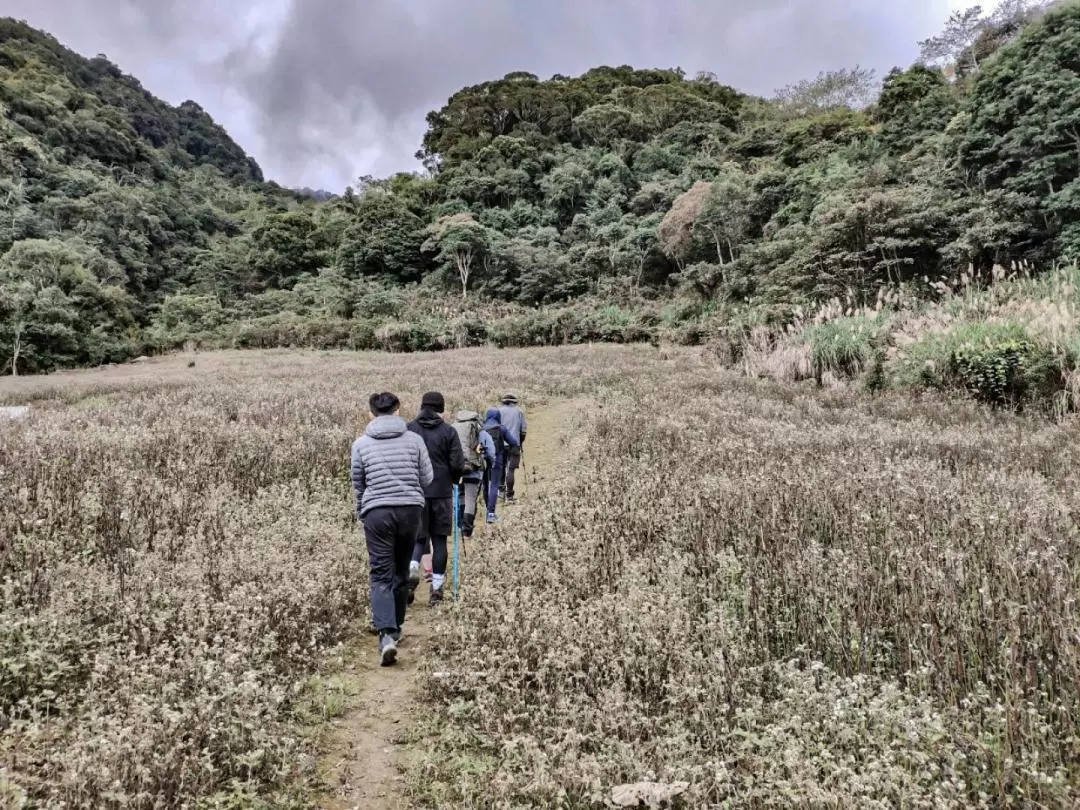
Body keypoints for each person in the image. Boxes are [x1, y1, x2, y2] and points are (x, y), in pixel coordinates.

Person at [351, 392, 433, 666]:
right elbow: (427, 477)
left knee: (380, 573)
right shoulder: (415, 440)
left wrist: (363, 510)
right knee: (400, 570)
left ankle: (386, 634)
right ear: (398, 412)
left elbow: (358, 483)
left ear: (371, 414)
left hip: (377, 513)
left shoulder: (361, 444)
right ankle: (396, 628)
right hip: (410, 511)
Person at [406, 392, 465, 606]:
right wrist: (456, 478)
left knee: (418, 539)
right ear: (440, 409)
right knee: (439, 541)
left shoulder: (409, 429)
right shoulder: (448, 431)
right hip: (441, 492)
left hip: (416, 492)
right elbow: (458, 464)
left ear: (422, 406)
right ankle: (437, 591)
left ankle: (411, 570)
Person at [452, 409, 496, 540]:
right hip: (474, 469)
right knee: (471, 499)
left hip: (458, 469)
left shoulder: (453, 428)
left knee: (460, 496)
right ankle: (467, 531)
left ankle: (459, 525)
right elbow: (491, 452)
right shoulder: (480, 431)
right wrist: (489, 463)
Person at [482, 407, 519, 524]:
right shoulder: (501, 428)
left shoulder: (481, 428)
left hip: (482, 460)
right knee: (494, 485)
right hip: (497, 459)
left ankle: (486, 510)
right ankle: (491, 514)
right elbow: (514, 442)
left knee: (485, 485)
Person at [498, 393, 527, 502]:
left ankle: (501, 493)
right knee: (511, 470)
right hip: (514, 444)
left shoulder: (499, 411)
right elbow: (523, 430)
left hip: (501, 444)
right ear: (514, 402)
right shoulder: (519, 411)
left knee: (501, 467)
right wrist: (520, 442)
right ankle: (509, 495)